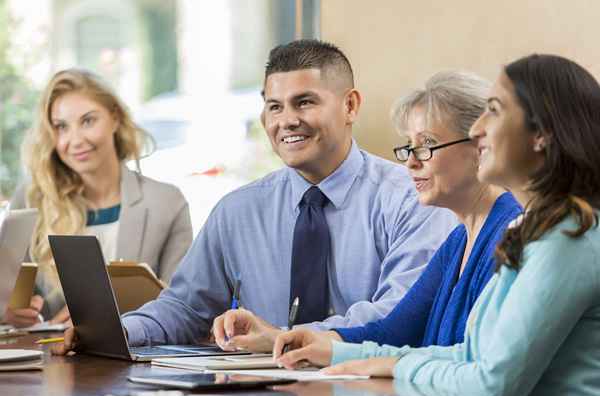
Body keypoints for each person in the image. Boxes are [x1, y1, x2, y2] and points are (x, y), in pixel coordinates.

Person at [53, 39, 456, 354]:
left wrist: (284, 336)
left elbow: (400, 314)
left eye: (305, 102)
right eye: (274, 107)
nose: (286, 121)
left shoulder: (412, 199)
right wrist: (120, 331)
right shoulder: (238, 211)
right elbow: (185, 307)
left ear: (350, 105)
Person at [277, 54, 600, 396]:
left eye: (495, 109)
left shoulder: (569, 237)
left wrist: (397, 365)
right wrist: (360, 357)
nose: (478, 130)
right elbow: (468, 356)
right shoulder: (534, 230)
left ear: (542, 135)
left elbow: (491, 384)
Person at [220, 71, 521, 355]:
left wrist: (394, 366)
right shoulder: (458, 240)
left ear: (481, 146)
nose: (411, 163)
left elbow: (474, 366)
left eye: (427, 144)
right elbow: (394, 330)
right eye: (409, 147)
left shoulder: (512, 236)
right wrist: (279, 338)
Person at [5, 69, 193, 327]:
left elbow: (184, 310)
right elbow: (7, 292)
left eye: (88, 121)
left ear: (114, 118)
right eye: (61, 127)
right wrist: (7, 311)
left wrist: (108, 318)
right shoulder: (31, 200)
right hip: (48, 357)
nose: (75, 140)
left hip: (134, 359)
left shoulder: (167, 203)